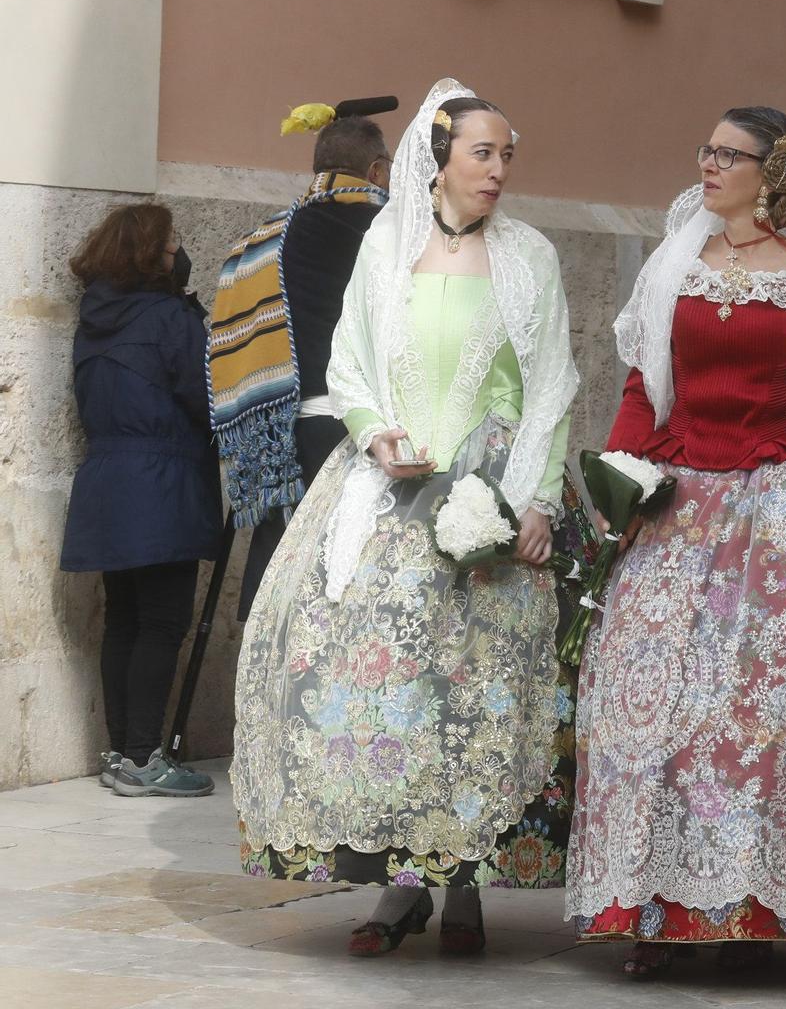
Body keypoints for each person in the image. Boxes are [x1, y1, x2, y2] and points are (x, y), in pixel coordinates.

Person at [233, 81, 582, 957]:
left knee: (476, 697)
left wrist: (536, 499)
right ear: (439, 157)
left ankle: (465, 891)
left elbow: (552, 385)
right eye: (483, 153)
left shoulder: (530, 256)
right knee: (392, 696)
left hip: (490, 495)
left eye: (508, 154)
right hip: (390, 492)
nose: (499, 170)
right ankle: (398, 889)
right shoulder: (385, 247)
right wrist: (374, 433)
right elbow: (347, 361)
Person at [565, 110, 786, 977]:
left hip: (776, 495)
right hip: (679, 498)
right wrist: (619, 480)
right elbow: (645, 386)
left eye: (726, 154)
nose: (706, 164)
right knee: (650, 703)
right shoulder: (677, 257)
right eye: (704, 149)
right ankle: (648, 905)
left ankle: (741, 910)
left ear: (773, 171)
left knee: (748, 707)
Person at [61, 204, 225, 796]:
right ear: (149, 254)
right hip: (161, 479)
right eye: (171, 244)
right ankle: (143, 758)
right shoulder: (169, 318)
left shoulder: (94, 318)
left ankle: (121, 753)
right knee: (161, 621)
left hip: (107, 479)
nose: (178, 254)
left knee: (125, 621)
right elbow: (205, 398)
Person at [210, 99, 393, 618]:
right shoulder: (392, 233)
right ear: (376, 170)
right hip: (366, 435)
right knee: (353, 594)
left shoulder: (260, 242)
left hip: (284, 442)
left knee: (280, 592)